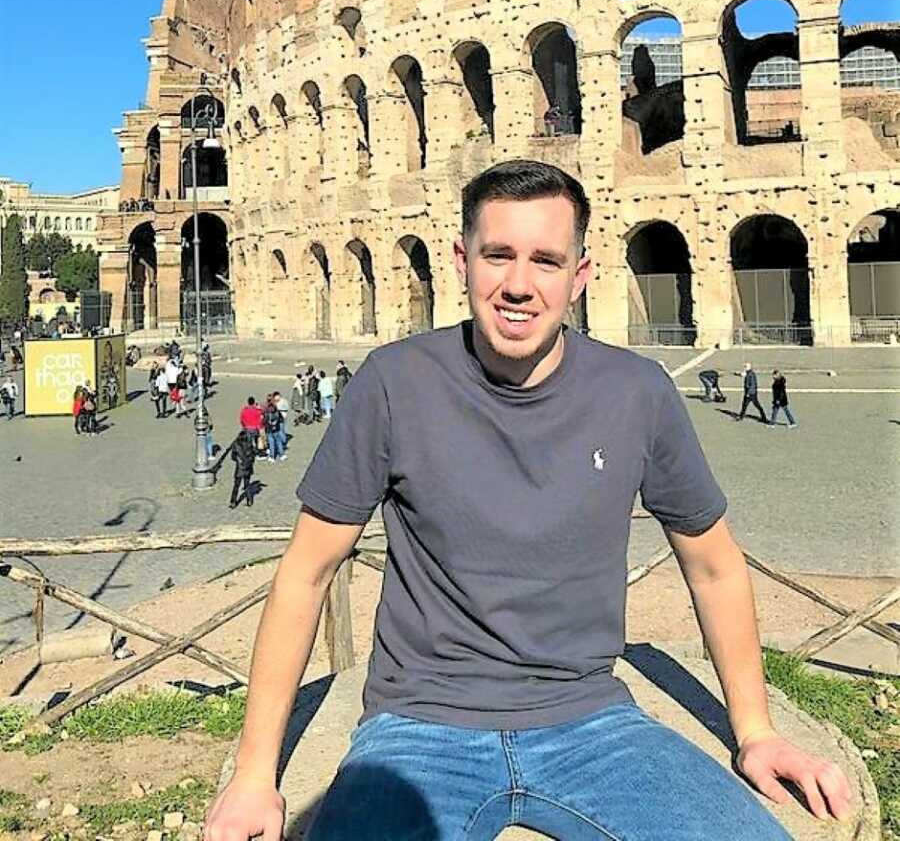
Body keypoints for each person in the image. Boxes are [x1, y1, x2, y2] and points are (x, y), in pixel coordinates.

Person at [205, 159, 851, 841]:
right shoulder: (393, 382)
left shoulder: (636, 392)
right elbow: (306, 574)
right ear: (462, 261)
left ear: (580, 275)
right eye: (498, 255)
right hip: (418, 724)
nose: (518, 284)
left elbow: (714, 566)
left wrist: (756, 732)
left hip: (592, 720)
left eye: (546, 260)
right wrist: (254, 774)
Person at [229, 429, 256, 508]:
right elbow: (254, 453)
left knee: (236, 486)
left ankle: (233, 502)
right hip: (248, 467)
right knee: (247, 485)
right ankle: (249, 500)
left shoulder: (236, 445)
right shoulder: (249, 444)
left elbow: (233, 457)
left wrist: (239, 460)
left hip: (240, 468)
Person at [263, 393, 286, 462]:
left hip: (269, 429)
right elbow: (280, 418)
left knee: (271, 443)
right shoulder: (276, 409)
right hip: (276, 428)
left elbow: (264, 420)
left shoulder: (266, 410)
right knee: (278, 441)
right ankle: (282, 455)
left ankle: (272, 457)